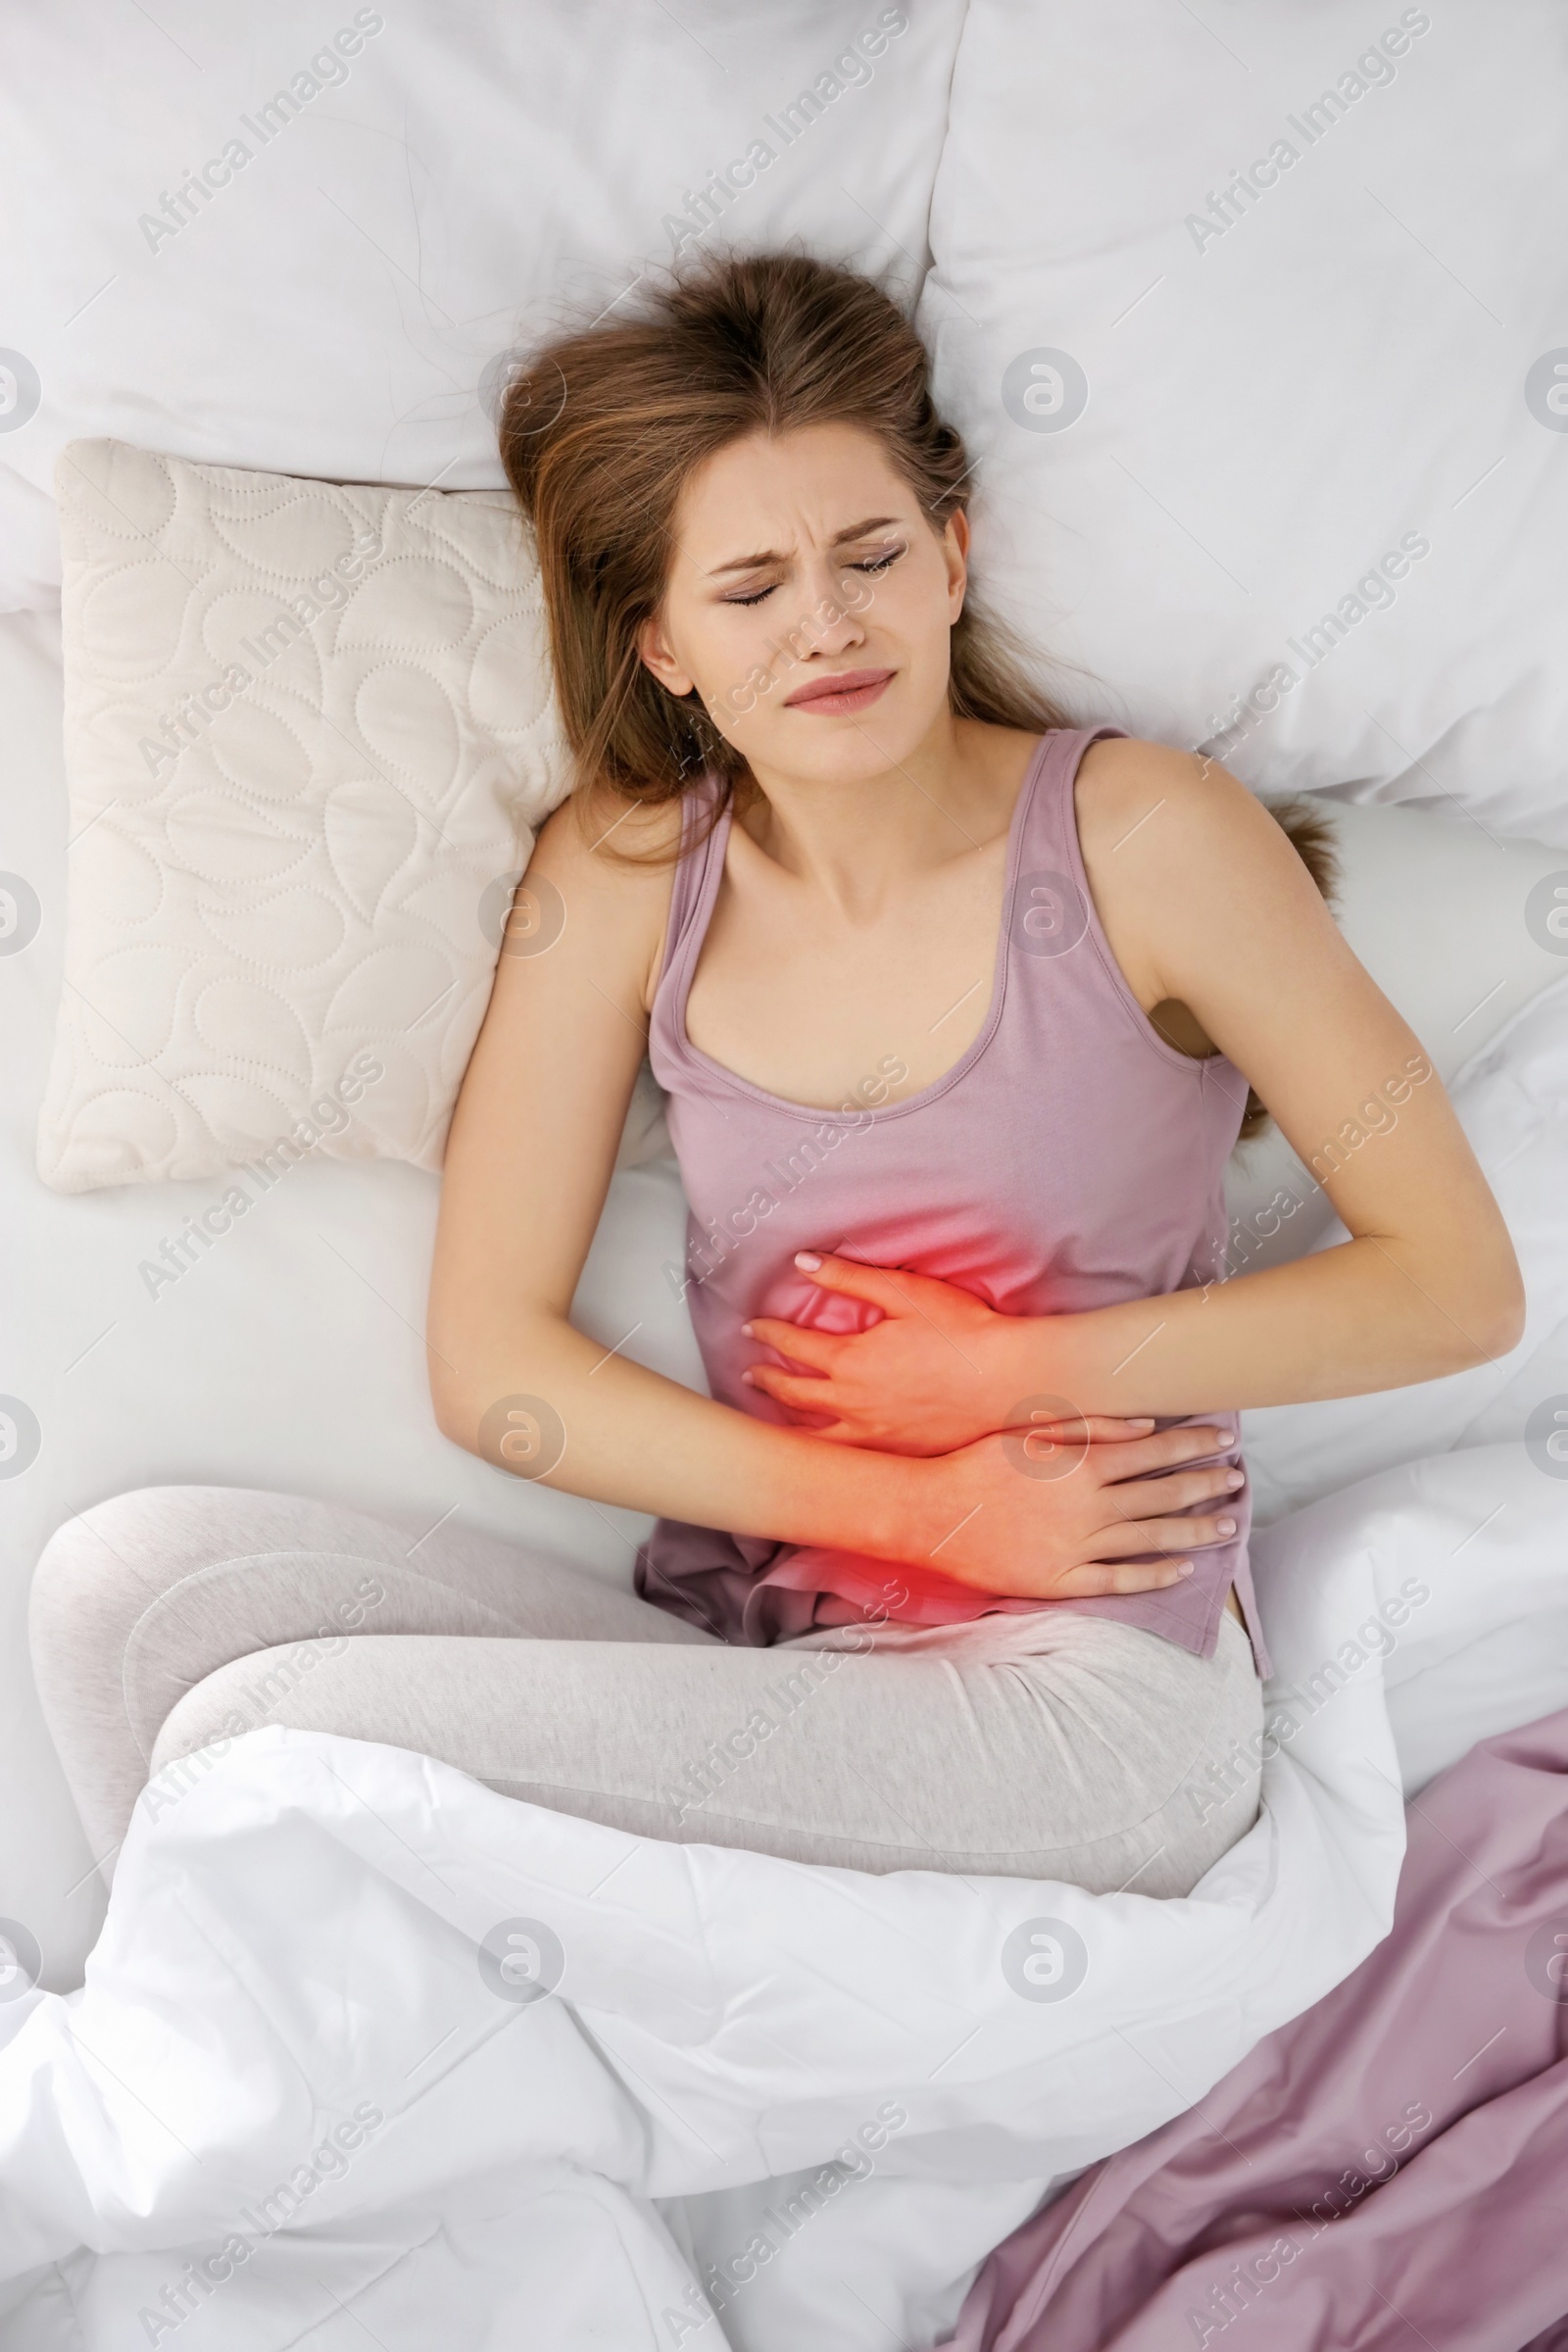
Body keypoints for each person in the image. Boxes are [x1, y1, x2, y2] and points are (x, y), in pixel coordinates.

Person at [30, 254, 1522, 1896]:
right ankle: (182, 2072)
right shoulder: (621, 880)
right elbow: (493, 1369)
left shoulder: (1151, 837)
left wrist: (1008, 1382)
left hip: (1094, 1699)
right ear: (662, 644)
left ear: (952, 561)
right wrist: (920, 1513)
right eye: (750, 591)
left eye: (871, 555)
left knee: (279, 1722)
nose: (828, 625)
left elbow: (1454, 1289)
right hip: (757, 1659)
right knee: (129, 1592)